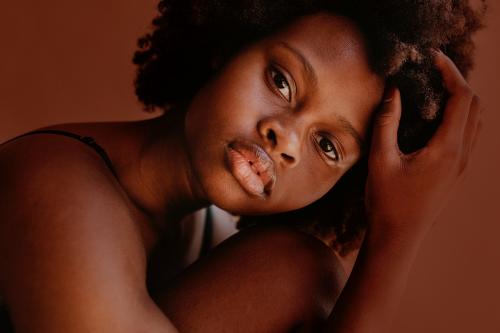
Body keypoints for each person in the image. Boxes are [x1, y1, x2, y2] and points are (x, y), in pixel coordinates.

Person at [0, 0, 485, 332]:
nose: (287, 139)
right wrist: (393, 245)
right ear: (226, 44)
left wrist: (396, 233)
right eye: (281, 81)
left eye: (329, 147)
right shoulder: (57, 185)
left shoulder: (224, 245)